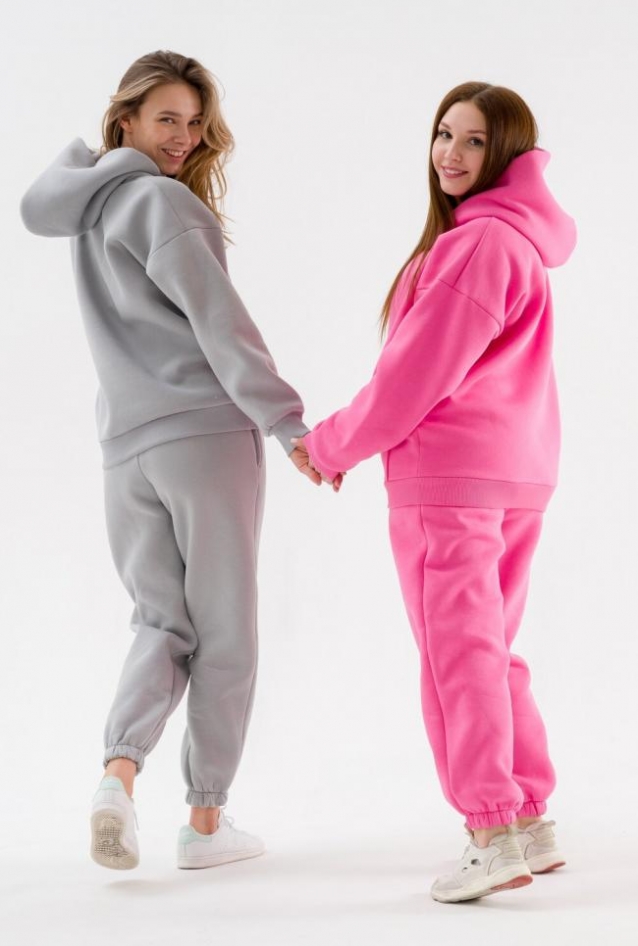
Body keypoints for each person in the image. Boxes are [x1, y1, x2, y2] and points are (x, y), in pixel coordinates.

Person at [20, 50, 327, 872]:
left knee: (160, 622)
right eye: (167, 119)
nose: (185, 136)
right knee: (225, 628)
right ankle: (204, 821)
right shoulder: (163, 205)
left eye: (194, 122)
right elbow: (223, 325)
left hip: (126, 449)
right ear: (124, 119)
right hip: (204, 440)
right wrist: (287, 423)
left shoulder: (88, 215)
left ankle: (117, 776)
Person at [292, 81, 575, 903]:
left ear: (506, 153)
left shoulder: (479, 243)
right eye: (444, 133)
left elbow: (413, 375)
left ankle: (490, 831)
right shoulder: (517, 241)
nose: (449, 152)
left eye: (474, 140)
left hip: (450, 480)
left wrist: (331, 443)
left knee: (460, 657)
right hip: (514, 470)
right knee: (491, 649)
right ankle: (529, 816)